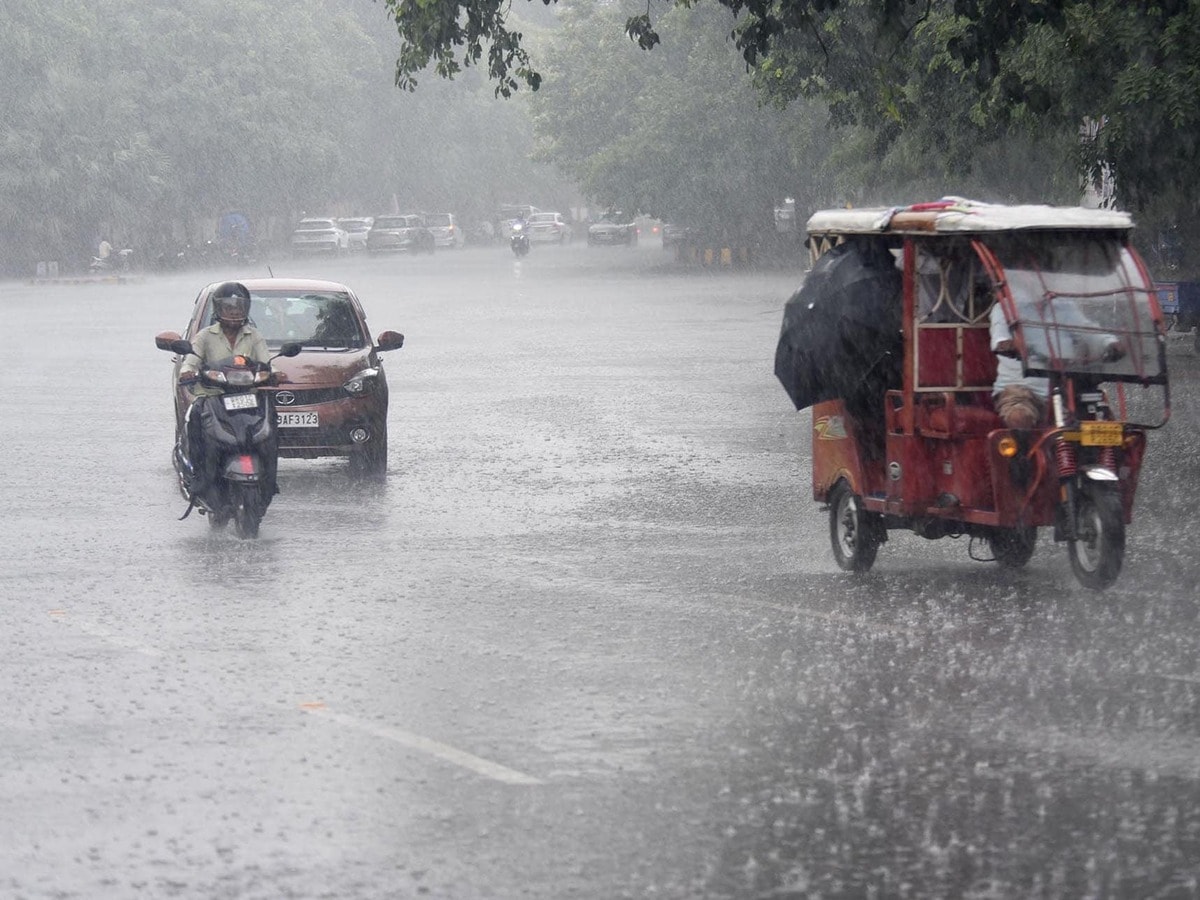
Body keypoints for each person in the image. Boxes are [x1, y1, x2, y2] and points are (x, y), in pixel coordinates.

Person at [179, 281, 282, 499]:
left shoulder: (253, 336)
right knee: (195, 419)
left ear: (246, 309)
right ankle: (200, 477)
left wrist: (276, 372)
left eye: (239, 307)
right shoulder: (205, 336)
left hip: (248, 398)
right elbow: (190, 361)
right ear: (218, 309)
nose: (234, 312)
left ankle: (270, 480)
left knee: (271, 424)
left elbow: (267, 361)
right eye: (229, 307)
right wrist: (188, 372)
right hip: (212, 396)